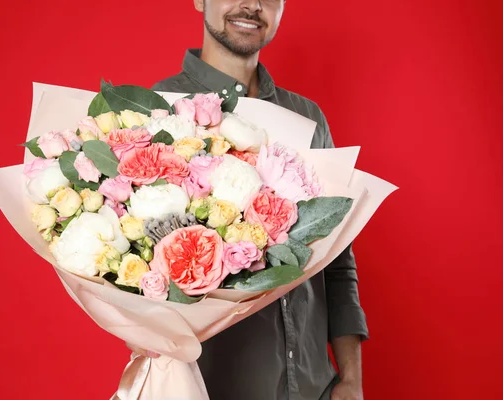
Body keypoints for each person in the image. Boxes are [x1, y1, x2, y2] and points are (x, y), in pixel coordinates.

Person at [130, 1, 368, 399]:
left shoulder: (307, 118)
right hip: (210, 386)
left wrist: (350, 378)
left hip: (315, 386)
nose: (253, 5)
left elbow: (338, 262)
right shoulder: (159, 112)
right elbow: (135, 273)